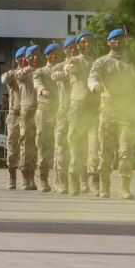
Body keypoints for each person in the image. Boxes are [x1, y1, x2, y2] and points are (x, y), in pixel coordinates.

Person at [88, 28, 135, 199]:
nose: (118, 42)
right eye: (114, 39)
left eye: (121, 39)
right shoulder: (101, 62)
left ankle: (125, 188)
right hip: (108, 110)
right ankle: (104, 186)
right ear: (108, 42)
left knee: (126, 151)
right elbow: (93, 76)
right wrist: (95, 85)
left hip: (127, 110)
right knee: (106, 152)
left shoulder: (132, 62)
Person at [65, 30, 99, 196]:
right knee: (76, 145)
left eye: (89, 42)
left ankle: (93, 180)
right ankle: (74, 181)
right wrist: (69, 69)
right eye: (83, 42)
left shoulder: (97, 62)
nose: (86, 45)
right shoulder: (74, 60)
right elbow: (67, 68)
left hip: (93, 108)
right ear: (78, 45)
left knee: (94, 146)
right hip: (77, 107)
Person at [32, 43, 60, 192]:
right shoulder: (40, 71)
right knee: (43, 144)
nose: (54, 55)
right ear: (47, 56)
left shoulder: (62, 69)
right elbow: (37, 83)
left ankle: (59, 179)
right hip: (44, 110)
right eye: (51, 53)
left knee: (60, 145)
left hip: (59, 109)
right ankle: (43, 179)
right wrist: (42, 90)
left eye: (56, 53)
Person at [51, 36, 77, 194]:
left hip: (80, 110)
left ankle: (79, 181)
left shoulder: (83, 64)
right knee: (61, 146)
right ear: (65, 50)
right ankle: (60, 181)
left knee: (78, 145)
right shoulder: (59, 66)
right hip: (64, 109)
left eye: (75, 47)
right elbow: (54, 75)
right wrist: (66, 71)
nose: (73, 50)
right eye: (70, 48)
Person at [1, 46, 26, 189]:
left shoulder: (31, 73)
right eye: (20, 57)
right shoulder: (13, 74)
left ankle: (26, 177)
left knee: (27, 148)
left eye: (25, 57)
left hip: (27, 115)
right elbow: (3, 79)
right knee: (12, 147)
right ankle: (12, 176)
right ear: (16, 59)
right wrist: (12, 73)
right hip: (14, 114)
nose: (23, 60)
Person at [16, 45, 39, 190]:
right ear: (27, 58)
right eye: (33, 56)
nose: (36, 58)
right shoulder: (23, 72)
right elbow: (18, 76)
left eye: (37, 55)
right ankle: (25, 176)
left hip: (39, 110)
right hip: (26, 110)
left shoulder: (40, 72)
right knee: (25, 144)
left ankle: (32, 176)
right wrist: (27, 68)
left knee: (36, 144)